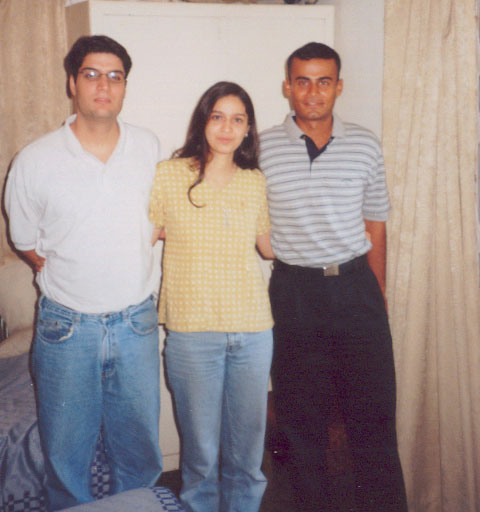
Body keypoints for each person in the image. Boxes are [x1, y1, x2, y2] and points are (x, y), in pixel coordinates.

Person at [5, 35, 163, 511]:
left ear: (125, 86)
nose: (104, 86)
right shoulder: (35, 159)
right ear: (72, 83)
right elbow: (26, 243)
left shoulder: (148, 146)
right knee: (67, 457)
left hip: (136, 324)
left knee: (139, 452)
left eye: (115, 76)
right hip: (67, 329)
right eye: (92, 74)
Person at [259, 42, 408, 511]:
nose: (313, 92)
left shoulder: (364, 143)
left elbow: (375, 223)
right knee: (302, 425)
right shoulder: (261, 147)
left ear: (338, 87)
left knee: (374, 420)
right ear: (287, 87)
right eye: (302, 81)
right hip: (294, 292)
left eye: (323, 81)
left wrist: (377, 293)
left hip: (355, 289)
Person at [149, 81, 274, 512]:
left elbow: (268, 247)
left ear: (248, 128)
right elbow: (145, 235)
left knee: (247, 456)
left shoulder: (254, 181)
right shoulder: (170, 174)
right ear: (203, 120)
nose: (226, 128)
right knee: (201, 457)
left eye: (237, 119)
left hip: (253, 331)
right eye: (218, 116)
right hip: (192, 331)